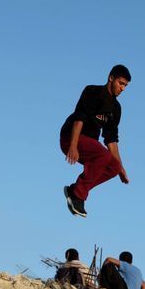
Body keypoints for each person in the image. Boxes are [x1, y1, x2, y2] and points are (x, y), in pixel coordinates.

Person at [60, 64, 131, 217]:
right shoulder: (93, 92)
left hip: (89, 145)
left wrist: (121, 168)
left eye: (125, 85)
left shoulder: (116, 109)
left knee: (113, 166)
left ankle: (75, 190)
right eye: (120, 83)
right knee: (104, 156)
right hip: (71, 136)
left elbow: (111, 140)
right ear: (111, 78)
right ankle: (78, 195)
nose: (123, 88)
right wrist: (73, 145)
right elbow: (79, 118)